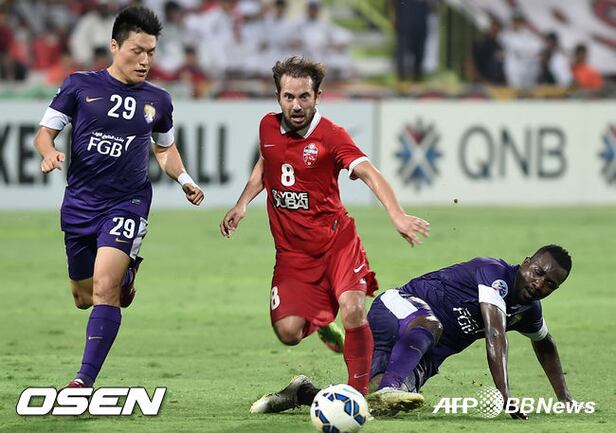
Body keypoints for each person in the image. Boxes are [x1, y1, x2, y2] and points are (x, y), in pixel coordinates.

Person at [220, 56, 430, 408]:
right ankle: (319, 325)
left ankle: (358, 398)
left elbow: (370, 173)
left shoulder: (332, 135)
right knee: (288, 333)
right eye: (289, 97)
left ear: (318, 96)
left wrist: (397, 215)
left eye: (304, 96)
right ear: (278, 96)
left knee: (353, 310)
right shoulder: (267, 127)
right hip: (292, 254)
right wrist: (242, 204)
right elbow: (266, 163)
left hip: (337, 242)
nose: (296, 105)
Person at [33, 5, 203, 388]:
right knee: (83, 297)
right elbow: (44, 134)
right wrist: (48, 153)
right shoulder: (79, 86)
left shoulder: (159, 100)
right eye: (137, 51)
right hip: (80, 203)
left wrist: (184, 179)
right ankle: (127, 272)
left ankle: (82, 382)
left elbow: (164, 149)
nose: (145, 61)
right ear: (114, 46)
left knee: (104, 289)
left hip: (127, 202)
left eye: (151, 53)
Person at [256, 245, 574, 420]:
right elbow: (494, 334)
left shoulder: (529, 311)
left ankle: (302, 392)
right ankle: (390, 386)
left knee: (370, 407)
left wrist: (564, 399)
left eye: (550, 284)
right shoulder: (494, 272)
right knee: (430, 325)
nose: (539, 284)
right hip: (399, 310)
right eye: (538, 272)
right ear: (526, 263)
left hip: (422, 352)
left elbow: (545, 345)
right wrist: (505, 395)